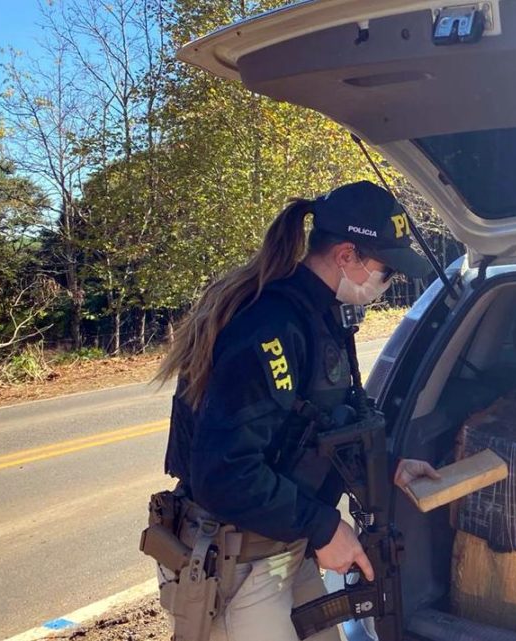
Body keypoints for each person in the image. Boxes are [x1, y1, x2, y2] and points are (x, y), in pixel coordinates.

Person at [152, 181, 441, 641]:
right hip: (238, 561)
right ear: (347, 256)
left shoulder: (318, 316)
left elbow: (314, 432)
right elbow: (225, 472)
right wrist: (325, 528)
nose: (388, 286)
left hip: (284, 546)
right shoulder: (271, 327)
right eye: (387, 272)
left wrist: (386, 469)